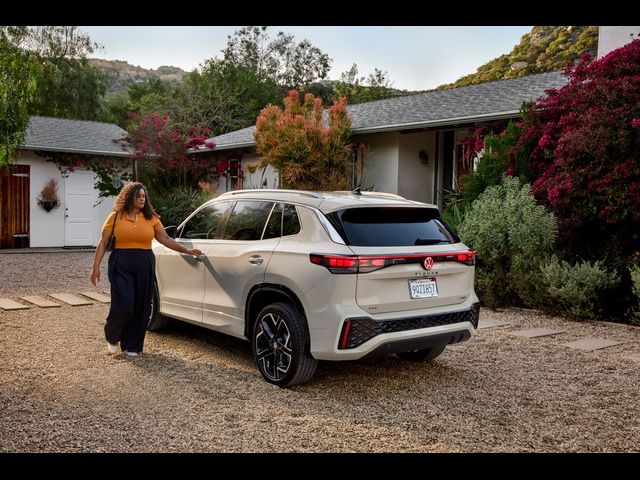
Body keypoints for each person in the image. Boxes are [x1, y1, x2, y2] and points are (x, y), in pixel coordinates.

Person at [90, 182, 202, 357]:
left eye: (144, 196)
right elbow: (103, 242)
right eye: (138, 196)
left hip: (144, 263)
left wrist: (187, 251)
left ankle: (132, 344)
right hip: (121, 263)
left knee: (141, 305)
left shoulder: (152, 218)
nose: (142, 199)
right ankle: (112, 336)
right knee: (124, 302)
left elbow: (165, 239)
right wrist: (95, 267)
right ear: (129, 197)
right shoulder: (115, 217)